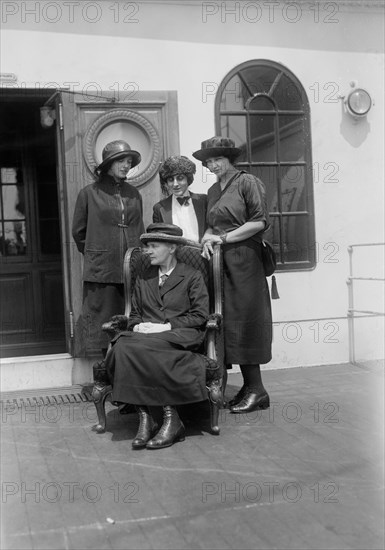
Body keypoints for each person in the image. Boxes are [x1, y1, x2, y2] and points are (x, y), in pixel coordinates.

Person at [105, 223, 220, 450]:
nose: (147, 251)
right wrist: (137, 327)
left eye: (154, 246)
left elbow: (200, 316)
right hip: (147, 338)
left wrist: (164, 327)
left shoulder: (192, 275)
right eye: (147, 246)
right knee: (121, 346)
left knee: (131, 348)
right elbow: (135, 314)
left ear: (172, 248)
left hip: (180, 335)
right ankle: (150, 417)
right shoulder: (144, 277)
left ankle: (164, 418)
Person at [192, 136, 272, 414]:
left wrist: (223, 239)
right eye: (208, 161)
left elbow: (259, 222)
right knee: (229, 323)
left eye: (217, 159)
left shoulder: (247, 182)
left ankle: (257, 389)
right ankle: (248, 388)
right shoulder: (214, 190)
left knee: (247, 319)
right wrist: (206, 240)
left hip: (246, 260)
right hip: (221, 262)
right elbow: (211, 227)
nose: (212, 165)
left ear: (230, 159)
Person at [72, 140, 145, 357]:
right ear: (108, 164)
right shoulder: (89, 193)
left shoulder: (134, 194)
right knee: (103, 323)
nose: (126, 165)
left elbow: (139, 228)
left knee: (129, 322)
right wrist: (99, 254)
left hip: (131, 269)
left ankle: (126, 373)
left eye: (129, 161)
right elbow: (79, 232)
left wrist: (136, 257)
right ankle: (104, 375)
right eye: (121, 160)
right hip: (102, 271)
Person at [153, 156, 207, 243]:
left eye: (180, 178)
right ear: (166, 183)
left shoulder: (204, 201)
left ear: (188, 179)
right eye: (171, 180)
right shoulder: (159, 208)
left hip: (201, 254)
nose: (175, 184)